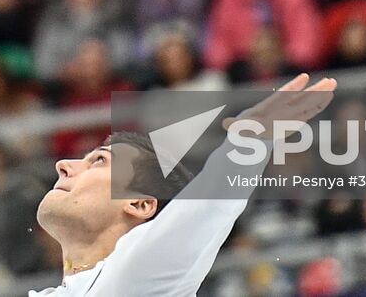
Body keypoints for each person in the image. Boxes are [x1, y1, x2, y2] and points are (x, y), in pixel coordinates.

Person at [31, 72, 335, 295]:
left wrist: (250, 142)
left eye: (98, 161)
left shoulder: (138, 278)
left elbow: (203, 209)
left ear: (139, 203)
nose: (64, 165)